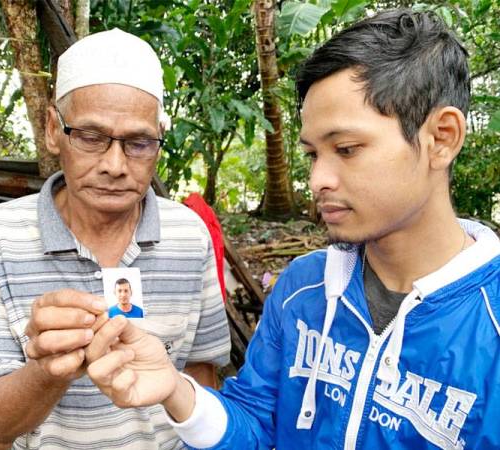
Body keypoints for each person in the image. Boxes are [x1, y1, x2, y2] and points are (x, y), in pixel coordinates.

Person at [84, 9, 500, 449]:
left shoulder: (488, 324)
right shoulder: (303, 289)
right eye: (312, 155)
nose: (319, 179)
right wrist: (176, 391)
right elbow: (256, 425)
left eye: (346, 148)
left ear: (442, 137)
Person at [0, 28, 230, 449]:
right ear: (52, 130)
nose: (115, 165)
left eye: (138, 143)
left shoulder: (189, 237)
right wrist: (47, 370)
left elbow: (204, 374)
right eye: (91, 137)